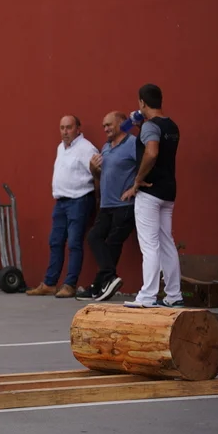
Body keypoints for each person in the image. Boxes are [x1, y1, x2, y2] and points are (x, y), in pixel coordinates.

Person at [123, 84, 182, 308]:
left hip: (149, 191)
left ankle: (147, 296)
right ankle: (174, 295)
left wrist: (138, 180)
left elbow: (152, 151)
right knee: (167, 242)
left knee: (149, 245)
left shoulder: (150, 127)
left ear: (142, 102)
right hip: (168, 191)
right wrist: (139, 123)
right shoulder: (171, 125)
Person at [27, 115, 99, 298]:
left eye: (69, 127)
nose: (65, 132)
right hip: (61, 202)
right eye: (62, 128)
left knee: (74, 243)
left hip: (79, 200)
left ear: (78, 129)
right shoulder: (61, 147)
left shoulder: (86, 148)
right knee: (55, 241)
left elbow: (98, 172)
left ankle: (70, 284)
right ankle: (50, 283)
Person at [81, 111, 138, 301]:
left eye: (109, 125)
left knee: (113, 243)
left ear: (121, 123)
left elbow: (146, 166)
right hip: (106, 205)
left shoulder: (132, 144)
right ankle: (105, 280)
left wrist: (135, 187)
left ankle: (99, 285)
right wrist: (93, 169)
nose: (105, 129)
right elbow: (101, 176)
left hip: (124, 205)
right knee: (94, 237)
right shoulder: (105, 147)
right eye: (104, 126)